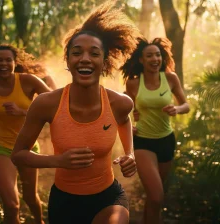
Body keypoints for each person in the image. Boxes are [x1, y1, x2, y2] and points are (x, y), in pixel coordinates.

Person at [11, 1, 141, 223]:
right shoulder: (46, 104)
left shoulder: (119, 103)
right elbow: (18, 155)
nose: (85, 59)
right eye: (77, 53)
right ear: (68, 61)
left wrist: (130, 153)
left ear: (104, 61)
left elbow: (124, 120)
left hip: (108, 197)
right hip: (65, 201)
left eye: (94, 53)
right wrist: (58, 160)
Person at [122, 37, 190, 223]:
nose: (155, 59)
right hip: (144, 141)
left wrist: (176, 109)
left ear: (163, 58)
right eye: (149, 55)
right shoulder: (134, 83)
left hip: (166, 140)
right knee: (157, 196)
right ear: (141, 60)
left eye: (158, 55)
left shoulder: (170, 78)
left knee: (154, 198)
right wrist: (130, 125)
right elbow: (124, 109)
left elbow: (186, 105)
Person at [0, 44, 51, 224]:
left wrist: (23, 111)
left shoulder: (27, 81)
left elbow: (54, 102)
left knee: (30, 197)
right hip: (1, 147)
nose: (4, 64)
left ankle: (39, 221)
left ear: (15, 63)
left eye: (8, 60)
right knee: (11, 205)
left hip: (27, 146)